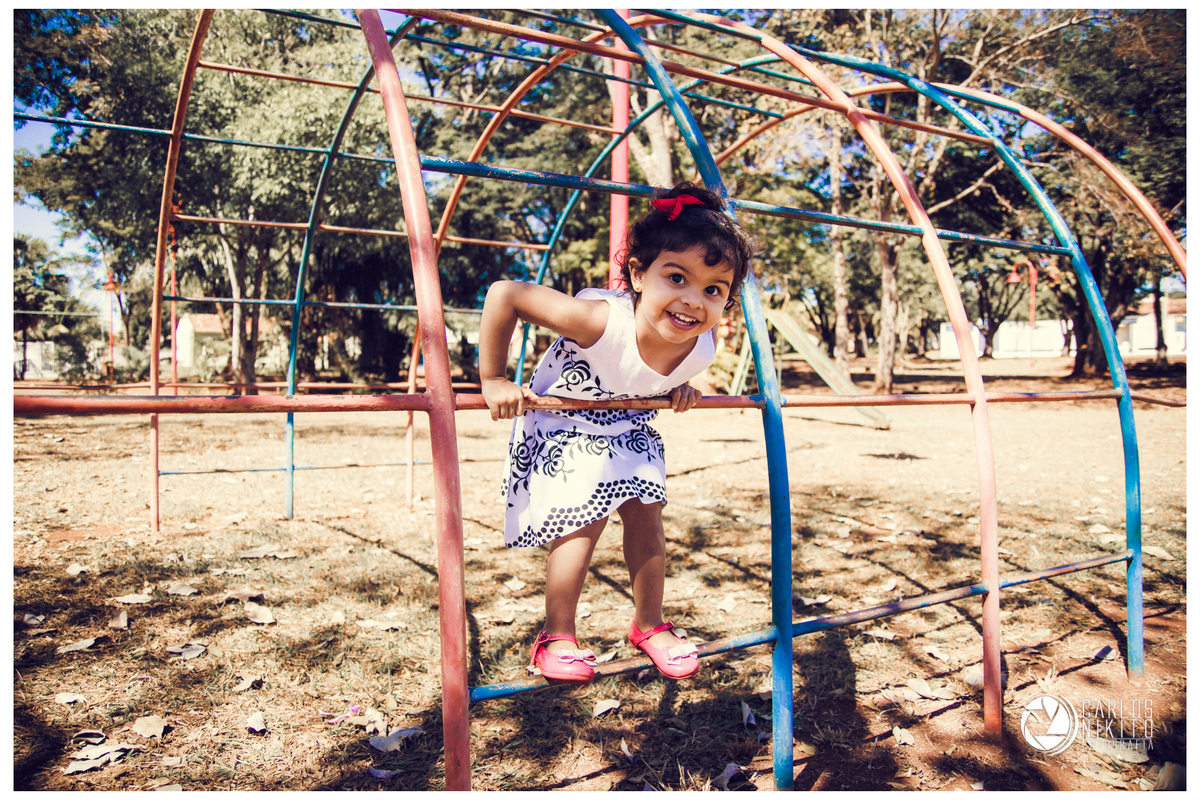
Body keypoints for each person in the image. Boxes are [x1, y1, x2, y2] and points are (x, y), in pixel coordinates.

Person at [479, 182, 755, 684]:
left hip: (628, 421)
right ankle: (557, 636)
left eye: (713, 290)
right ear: (638, 274)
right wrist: (494, 378)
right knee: (583, 520)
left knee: (647, 514)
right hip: (566, 418)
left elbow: (649, 373)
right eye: (677, 277)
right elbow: (506, 294)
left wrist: (676, 387)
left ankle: (649, 625)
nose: (693, 301)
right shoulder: (598, 321)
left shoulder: (700, 347)